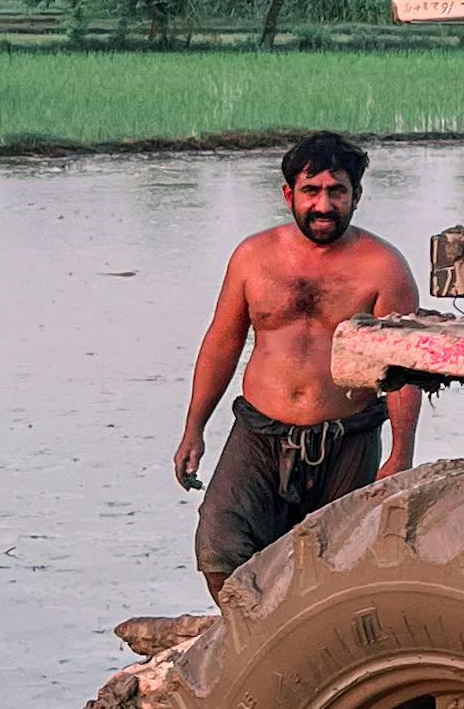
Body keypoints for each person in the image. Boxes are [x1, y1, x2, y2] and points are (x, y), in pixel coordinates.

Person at [175, 133, 421, 594]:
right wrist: (194, 428)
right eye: (311, 191)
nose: (323, 205)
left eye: (337, 191)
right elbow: (223, 342)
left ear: (356, 196)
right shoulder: (253, 257)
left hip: (346, 435)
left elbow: (401, 368)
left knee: (339, 562)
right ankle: (249, 636)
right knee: (220, 542)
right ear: (289, 195)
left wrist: (401, 452)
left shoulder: (384, 268)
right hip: (260, 430)